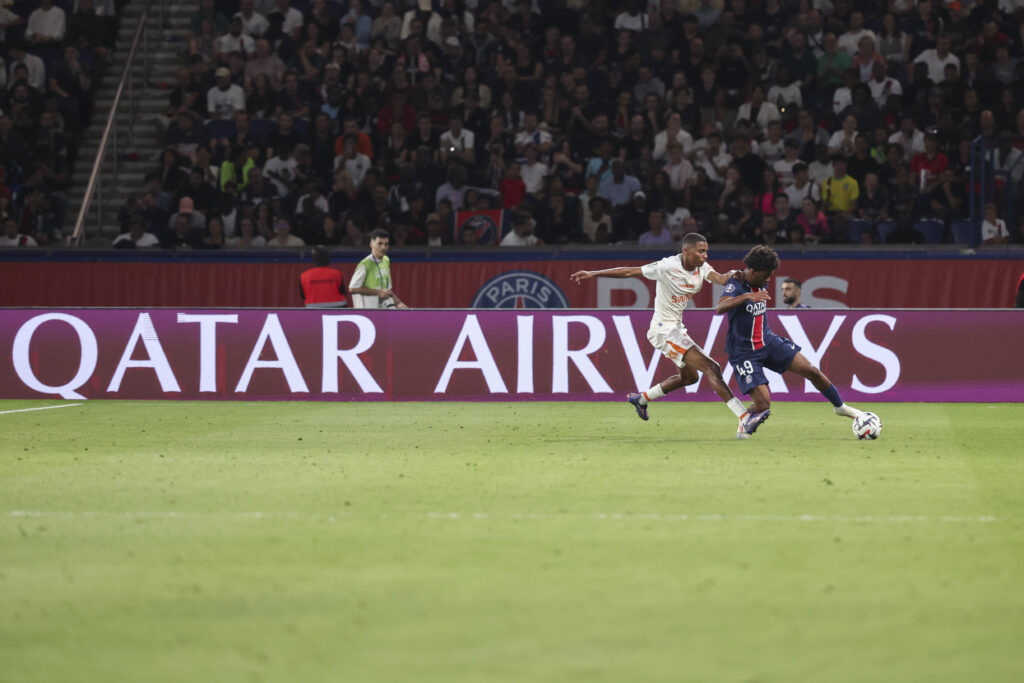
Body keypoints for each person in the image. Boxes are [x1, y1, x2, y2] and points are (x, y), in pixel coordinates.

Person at [570, 232, 763, 439]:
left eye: (706, 251)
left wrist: (734, 273)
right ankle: (743, 416)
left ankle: (641, 399)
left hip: (676, 329)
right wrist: (594, 273)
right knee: (712, 367)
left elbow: (720, 279)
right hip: (663, 330)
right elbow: (629, 273)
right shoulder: (666, 266)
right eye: (700, 251)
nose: (705, 256)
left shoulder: (701, 268)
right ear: (686, 251)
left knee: (689, 378)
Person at [716, 246, 864, 438]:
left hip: (768, 341)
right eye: (766, 275)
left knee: (812, 370)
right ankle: (746, 420)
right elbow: (720, 307)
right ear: (753, 271)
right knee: (763, 405)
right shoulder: (736, 284)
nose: (769, 279)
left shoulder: (757, 278)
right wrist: (746, 296)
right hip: (745, 352)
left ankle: (840, 407)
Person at [349, 229, 408, 309]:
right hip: (368, 311)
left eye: (386, 244)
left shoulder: (386, 260)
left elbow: (387, 290)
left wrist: (399, 303)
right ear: (371, 244)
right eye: (380, 243)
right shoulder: (365, 264)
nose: (384, 247)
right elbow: (352, 288)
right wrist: (378, 292)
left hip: (383, 311)